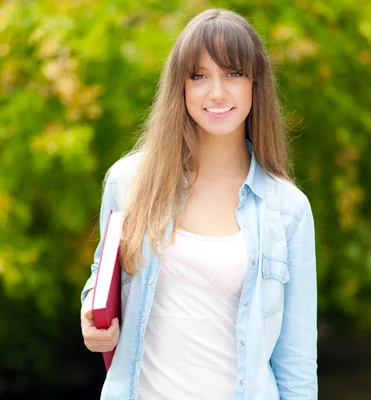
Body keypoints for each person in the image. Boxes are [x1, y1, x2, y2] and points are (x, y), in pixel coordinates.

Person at [80, 8, 317, 400]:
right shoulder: (129, 183)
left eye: (234, 73)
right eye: (200, 76)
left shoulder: (288, 210)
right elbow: (101, 275)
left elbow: (297, 364)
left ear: (256, 84)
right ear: (182, 88)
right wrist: (90, 314)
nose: (218, 92)